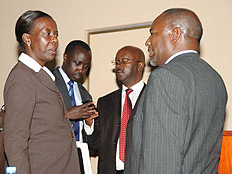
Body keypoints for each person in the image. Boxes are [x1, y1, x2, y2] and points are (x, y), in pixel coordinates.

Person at [124, 8, 227, 174]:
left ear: (175, 34)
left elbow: (160, 162)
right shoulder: (215, 79)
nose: (147, 41)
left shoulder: (165, 77)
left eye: (153, 33)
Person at [4, 10, 80, 174]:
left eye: (56, 35)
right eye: (48, 34)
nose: (55, 40)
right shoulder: (22, 78)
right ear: (27, 39)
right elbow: (15, 141)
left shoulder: (42, 76)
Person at [88, 46, 146, 174]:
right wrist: (89, 125)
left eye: (124, 61)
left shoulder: (153, 97)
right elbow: (96, 144)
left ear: (140, 65)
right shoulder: (105, 102)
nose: (119, 66)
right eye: (117, 62)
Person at [53, 40, 98, 172]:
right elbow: (37, 119)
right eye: (77, 64)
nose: (81, 70)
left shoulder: (84, 94)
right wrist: (67, 114)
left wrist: (89, 124)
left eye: (86, 67)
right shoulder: (48, 82)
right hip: (54, 160)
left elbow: (91, 141)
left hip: (79, 160)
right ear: (65, 57)